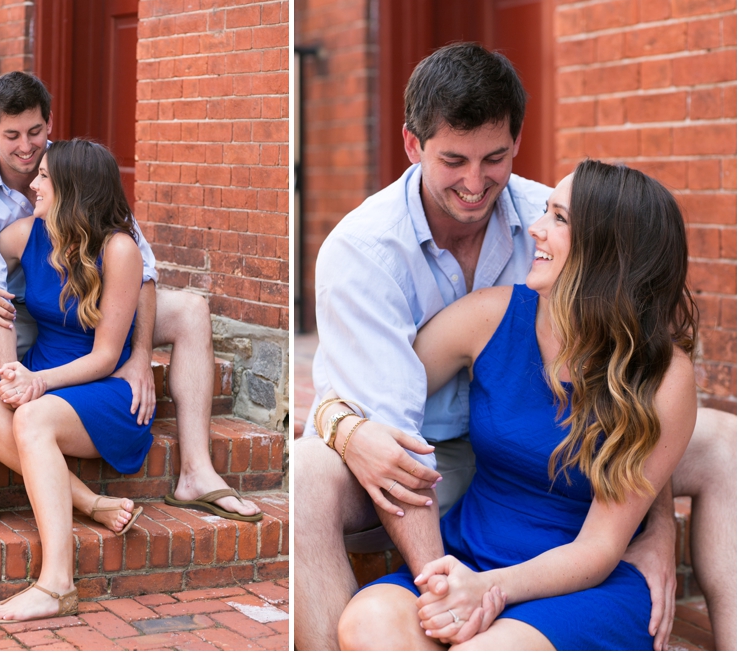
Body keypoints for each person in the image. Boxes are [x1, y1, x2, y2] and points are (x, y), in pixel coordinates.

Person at [294, 43, 736, 651]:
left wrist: (656, 530)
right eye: (454, 160)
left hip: (567, 553)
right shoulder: (375, 257)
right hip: (440, 466)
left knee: (726, 442)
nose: (479, 185)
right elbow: (381, 420)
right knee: (350, 575)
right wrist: (444, 587)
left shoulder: (534, 210)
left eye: (494, 159)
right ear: (412, 145)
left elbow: (639, 438)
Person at [335, 159, 697, 650]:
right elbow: (373, 388)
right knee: (367, 621)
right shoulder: (491, 316)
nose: (535, 228)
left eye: (560, 219)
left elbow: (599, 547)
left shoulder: (664, 378)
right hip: (472, 555)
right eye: (545, 212)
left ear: (611, 251)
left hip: (581, 583)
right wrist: (337, 423)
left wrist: (492, 589)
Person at [0, 71, 260, 542]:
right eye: (11, 136)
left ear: (50, 123)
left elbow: (143, 268)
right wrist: (12, 377)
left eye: (36, 132)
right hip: (19, 313)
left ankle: (196, 470)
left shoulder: (76, 170)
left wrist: (141, 356)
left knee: (189, 308)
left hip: (91, 306)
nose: (27, 148)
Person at [0, 139, 151, 622]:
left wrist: (39, 382)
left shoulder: (119, 248)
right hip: (45, 384)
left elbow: (107, 355)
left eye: (44, 177)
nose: (33, 185)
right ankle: (91, 502)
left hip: (102, 390)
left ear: (73, 188)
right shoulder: (29, 234)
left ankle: (57, 584)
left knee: (33, 419)